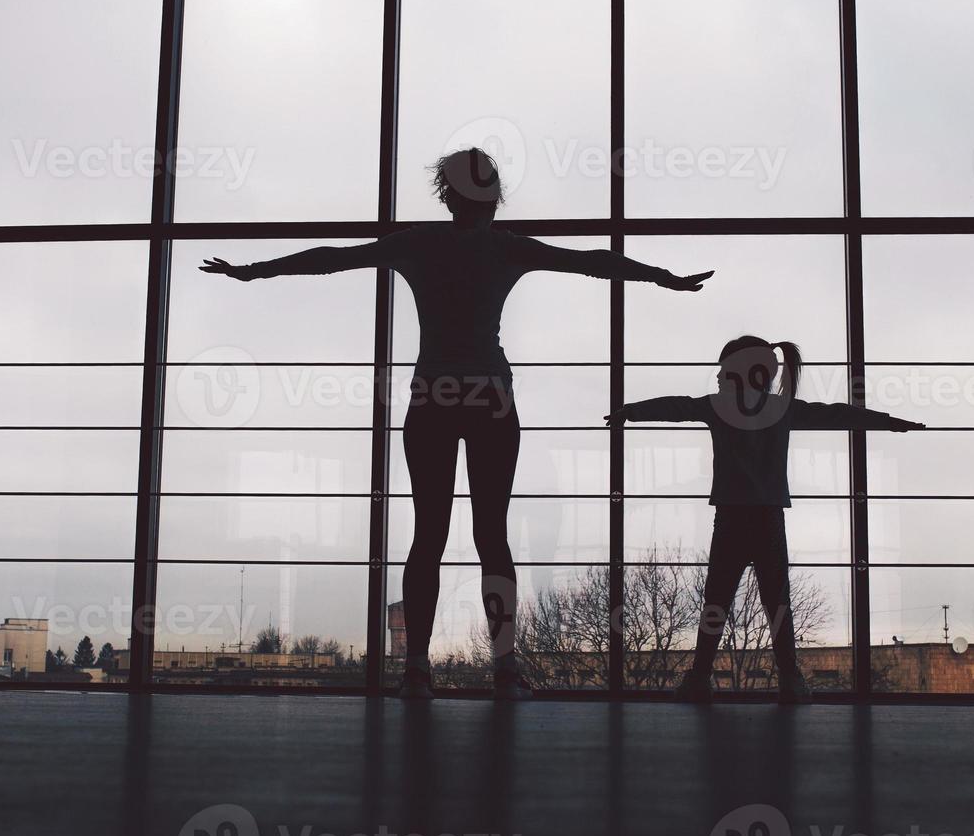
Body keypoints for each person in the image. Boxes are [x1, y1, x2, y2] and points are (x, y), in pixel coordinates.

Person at [202, 147, 712, 700]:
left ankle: (418, 668)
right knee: (491, 536)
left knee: (430, 535)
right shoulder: (506, 247)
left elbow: (332, 257)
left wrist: (253, 272)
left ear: (448, 194)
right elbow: (593, 261)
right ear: (494, 194)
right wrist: (663, 278)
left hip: (434, 398)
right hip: (490, 397)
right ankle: (505, 669)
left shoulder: (419, 244)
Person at [607, 336, 924, 703]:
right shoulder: (782, 410)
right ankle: (790, 679)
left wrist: (630, 410)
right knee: (777, 603)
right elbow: (837, 413)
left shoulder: (719, 407)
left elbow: (676, 407)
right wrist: (888, 422)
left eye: (724, 371)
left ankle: (699, 677)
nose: (719, 377)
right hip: (769, 518)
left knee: (717, 600)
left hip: (729, 518)